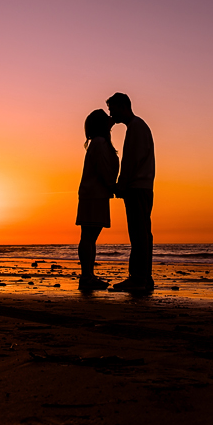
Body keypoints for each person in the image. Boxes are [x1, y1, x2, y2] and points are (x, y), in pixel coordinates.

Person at [106, 93, 155, 292]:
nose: (111, 114)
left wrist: (121, 184)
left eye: (112, 109)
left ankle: (138, 278)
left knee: (138, 233)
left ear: (122, 107)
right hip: (143, 187)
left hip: (137, 187)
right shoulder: (138, 127)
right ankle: (144, 277)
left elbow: (131, 161)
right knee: (143, 232)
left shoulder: (135, 127)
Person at [76, 109, 120, 290]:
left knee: (89, 236)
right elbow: (103, 168)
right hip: (94, 195)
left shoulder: (99, 143)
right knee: (88, 236)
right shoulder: (100, 143)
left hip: (94, 194)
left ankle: (88, 276)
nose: (111, 119)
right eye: (106, 118)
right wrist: (113, 185)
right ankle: (87, 276)